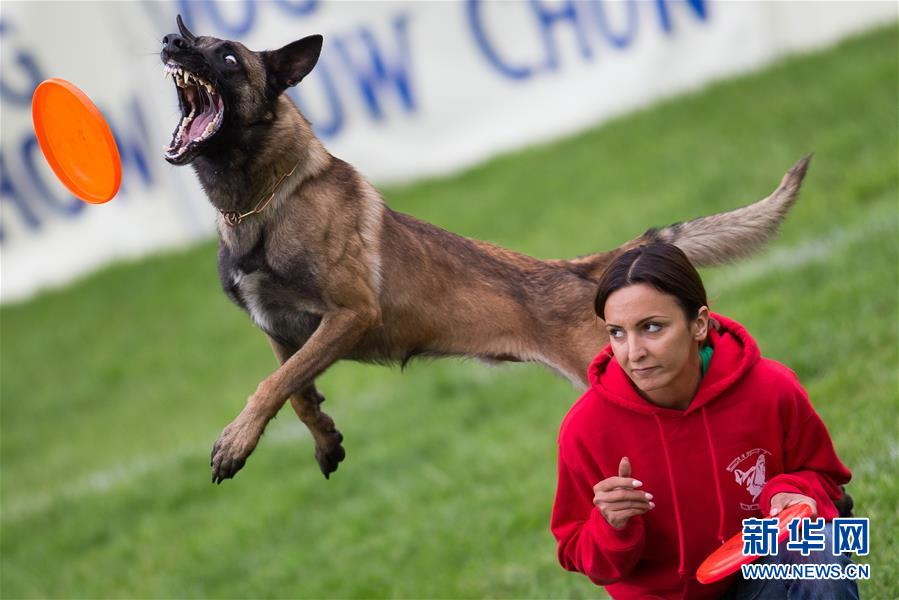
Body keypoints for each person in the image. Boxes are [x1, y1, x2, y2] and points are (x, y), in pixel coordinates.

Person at [551, 242, 858, 599]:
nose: (633, 352)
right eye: (617, 332)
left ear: (698, 324)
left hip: (761, 578)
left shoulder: (771, 389)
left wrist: (793, 492)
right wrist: (610, 525)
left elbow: (827, 481)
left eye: (651, 327)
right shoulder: (585, 430)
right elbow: (578, 553)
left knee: (815, 544)